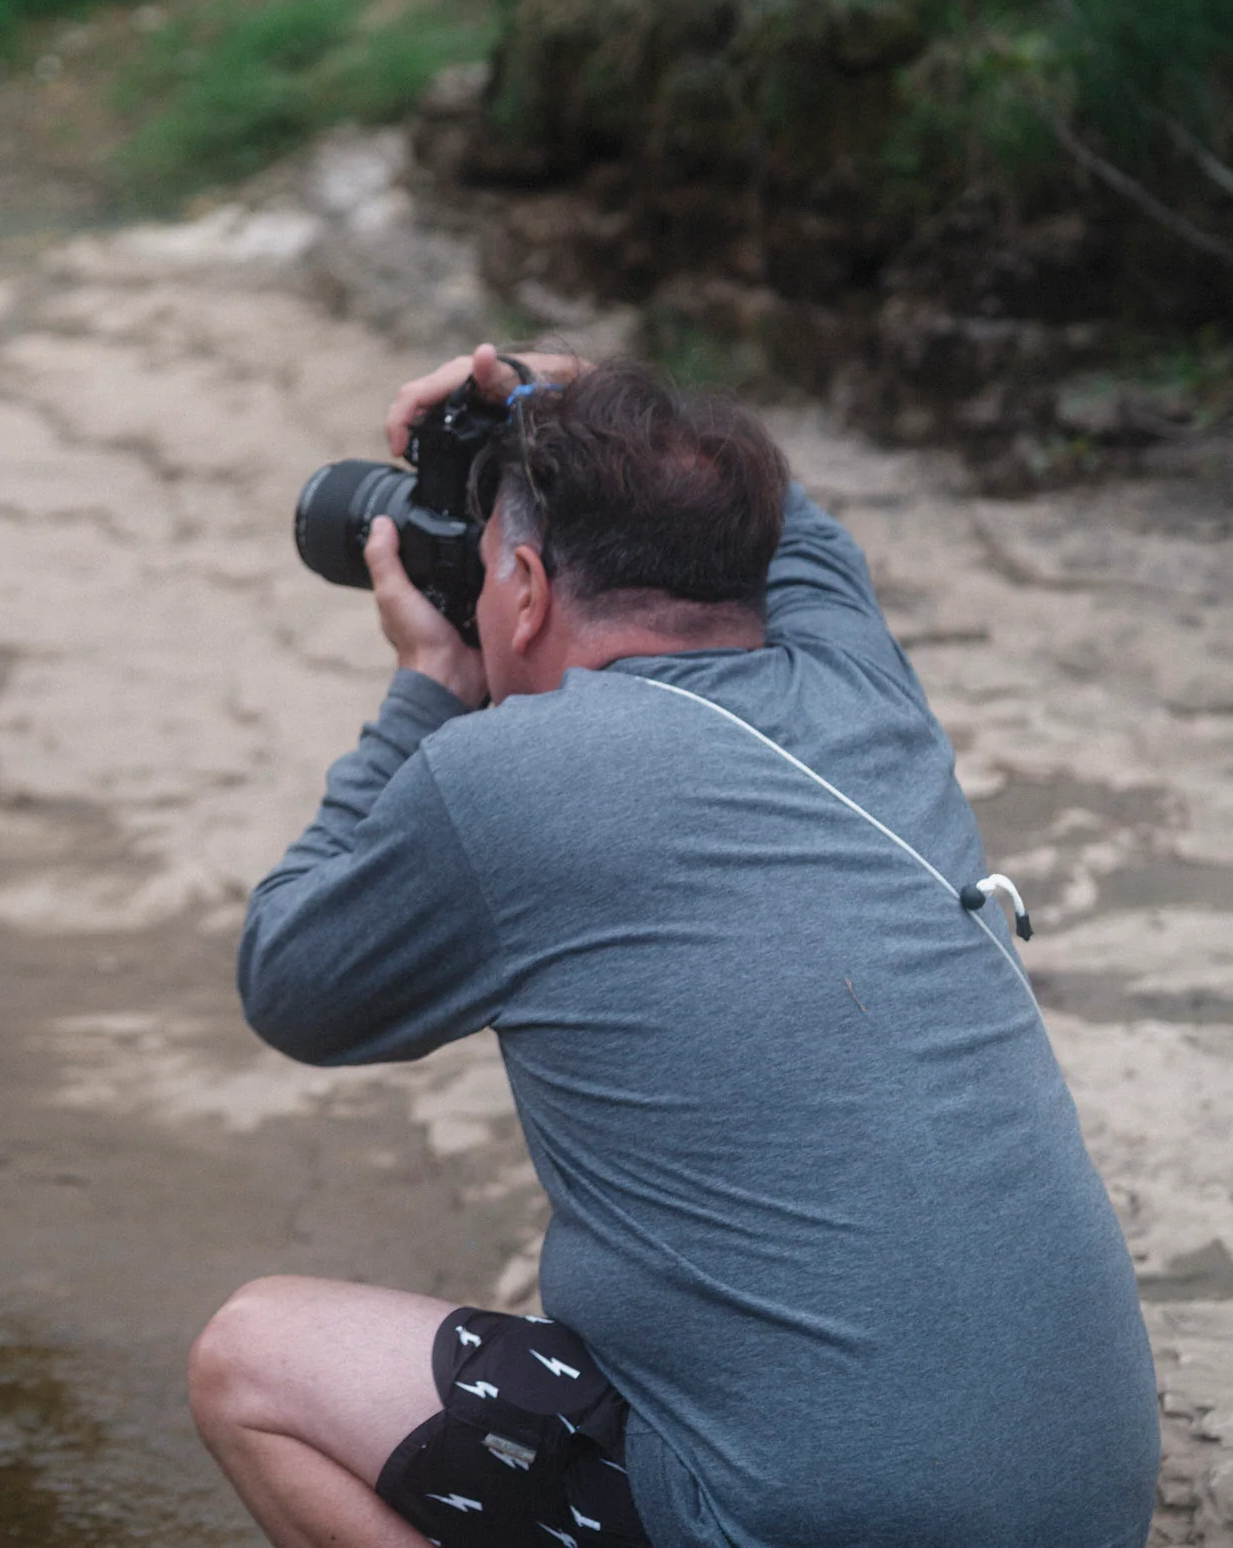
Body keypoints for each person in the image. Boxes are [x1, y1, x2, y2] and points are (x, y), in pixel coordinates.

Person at [189, 346, 1158, 1548]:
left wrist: (429, 686)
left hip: (797, 1525)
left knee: (253, 1358)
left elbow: (289, 979)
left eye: (488, 566)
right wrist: (573, 389)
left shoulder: (506, 780)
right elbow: (788, 523)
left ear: (528, 589)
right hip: (1081, 1512)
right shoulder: (861, 688)